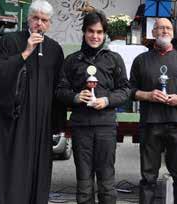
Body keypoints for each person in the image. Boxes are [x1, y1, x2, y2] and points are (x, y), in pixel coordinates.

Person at [0, 0, 65, 204]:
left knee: (38, 174)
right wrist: (25, 53)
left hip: (41, 125)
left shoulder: (55, 50)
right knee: (12, 172)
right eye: (35, 18)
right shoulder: (9, 42)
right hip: (15, 121)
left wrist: (57, 123)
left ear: (49, 24)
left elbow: (59, 87)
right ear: (28, 19)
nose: (39, 24)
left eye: (44, 20)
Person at [56, 11, 130, 204]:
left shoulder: (114, 59)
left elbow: (125, 90)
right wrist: (75, 97)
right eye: (91, 31)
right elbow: (59, 90)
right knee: (84, 185)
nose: (95, 36)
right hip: (81, 127)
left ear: (105, 34)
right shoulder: (71, 60)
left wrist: (107, 100)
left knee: (107, 183)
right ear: (84, 31)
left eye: (99, 32)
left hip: (106, 126)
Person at [130, 18, 177, 204]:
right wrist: (148, 95)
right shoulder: (141, 60)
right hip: (150, 124)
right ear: (152, 33)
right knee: (148, 179)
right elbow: (129, 91)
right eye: (160, 27)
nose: (164, 31)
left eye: (168, 28)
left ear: (173, 32)